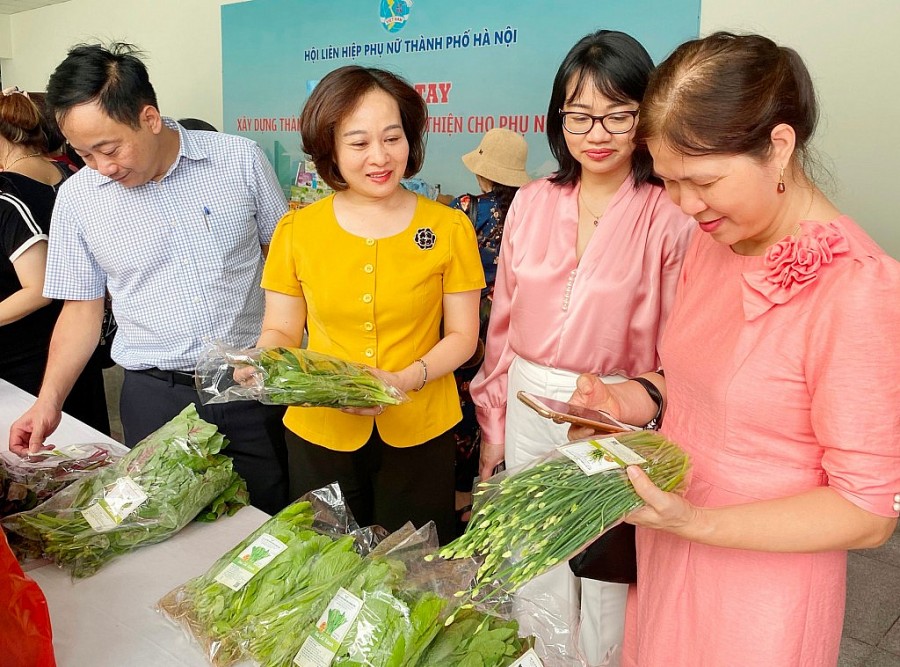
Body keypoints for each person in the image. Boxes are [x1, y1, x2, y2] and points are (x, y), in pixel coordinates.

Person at [567, 32, 900, 666]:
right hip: (671, 546)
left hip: (760, 589)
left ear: (778, 147)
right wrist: (626, 400)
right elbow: (694, 381)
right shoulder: (712, 241)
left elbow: (868, 511)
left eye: (704, 181)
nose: (685, 204)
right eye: (668, 182)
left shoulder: (860, 290)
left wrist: (698, 522)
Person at [468, 30, 693, 665]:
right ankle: (540, 656)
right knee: (533, 547)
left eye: (619, 114)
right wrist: (494, 425)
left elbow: (680, 338)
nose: (597, 132)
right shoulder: (535, 201)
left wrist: (649, 414)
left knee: (605, 559)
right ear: (557, 117)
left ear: (646, 118)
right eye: (580, 113)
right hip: (529, 396)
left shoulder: (668, 212)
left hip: (615, 407)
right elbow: (503, 324)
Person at [8, 42, 291, 515]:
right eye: (84, 154)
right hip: (152, 394)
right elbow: (81, 309)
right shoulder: (79, 199)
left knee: (264, 523)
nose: (102, 167)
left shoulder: (239, 161)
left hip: (249, 387)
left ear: (149, 118)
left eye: (109, 148)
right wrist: (48, 401)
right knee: (161, 528)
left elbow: (286, 270)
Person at [247, 64, 484, 543]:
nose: (380, 157)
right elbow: (282, 332)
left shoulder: (448, 227)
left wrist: (404, 379)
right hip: (320, 431)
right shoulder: (297, 231)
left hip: (421, 428)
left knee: (411, 574)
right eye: (358, 143)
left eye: (393, 138)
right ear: (329, 147)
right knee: (324, 564)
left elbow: (463, 336)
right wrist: (263, 359)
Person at [0, 87, 108, 434]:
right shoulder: (70, 173)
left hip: (38, 347)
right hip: (80, 331)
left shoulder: (7, 192)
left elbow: (39, 285)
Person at [447, 127, 529, 533]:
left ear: (482, 172)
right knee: (505, 406)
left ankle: (463, 497)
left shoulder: (465, 208)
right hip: (515, 322)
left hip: (470, 321)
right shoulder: (531, 210)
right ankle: (494, 496)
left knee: (466, 406)